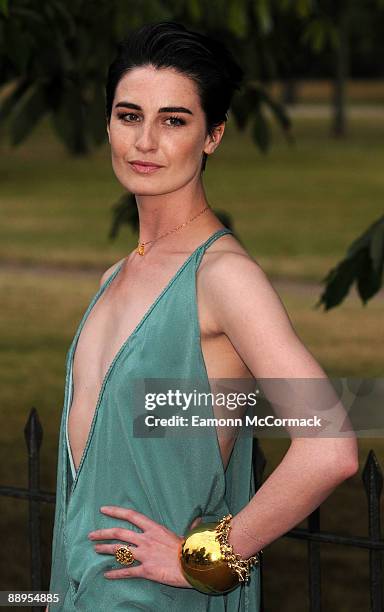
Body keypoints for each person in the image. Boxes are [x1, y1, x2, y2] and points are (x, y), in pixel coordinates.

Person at [47, 21, 359, 611]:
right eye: (129, 115)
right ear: (108, 123)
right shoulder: (115, 277)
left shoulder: (223, 278)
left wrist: (204, 558)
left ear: (212, 136)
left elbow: (332, 446)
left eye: (174, 120)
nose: (145, 142)